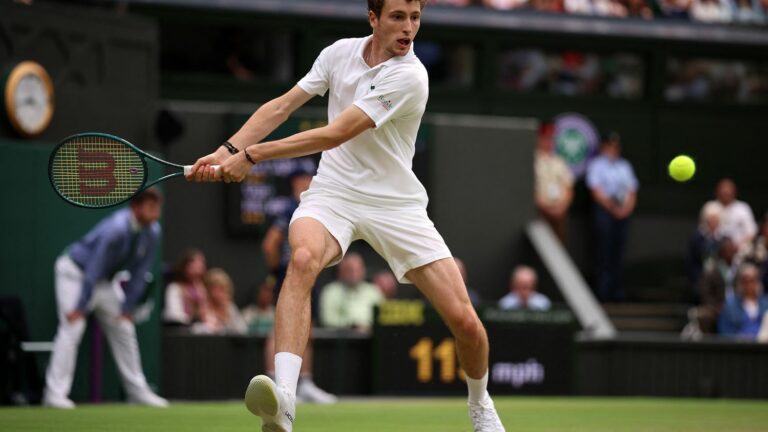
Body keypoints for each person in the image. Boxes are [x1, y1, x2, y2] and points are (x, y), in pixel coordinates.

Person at [187, 1, 506, 430]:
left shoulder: (410, 75)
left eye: (415, 17)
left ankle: (480, 404)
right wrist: (227, 150)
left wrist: (252, 155)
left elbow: (337, 132)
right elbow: (282, 107)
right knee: (300, 261)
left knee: (466, 322)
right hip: (334, 191)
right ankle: (284, 401)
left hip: (395, 204)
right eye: (397, 16)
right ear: (373, 18)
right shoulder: (338, 54)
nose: (408, 28)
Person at [43, 188, 168, 409]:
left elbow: (140, 272)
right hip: (75, 273)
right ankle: (54, 395)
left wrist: (127, 308)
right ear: (135, 208)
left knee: (125, 329)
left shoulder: (153, 231)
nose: (155, 213)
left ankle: (137, 393)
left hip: (104, 282)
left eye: (157, 208)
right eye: (150, 207)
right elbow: (94, 267)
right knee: (73, 327)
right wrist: (80, 306)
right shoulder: (117, 229)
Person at [261, 161, 337, 404]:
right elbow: (270, 244)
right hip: (289, 271)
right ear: (296, 181)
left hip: (307, 271)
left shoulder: (311, 206)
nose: (310, 181)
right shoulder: (289, 208)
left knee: (307, 328)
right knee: (281, 327)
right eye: (305, 177)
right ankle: (274, 380)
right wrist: (276, 270)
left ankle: (304, 383)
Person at [586, 131, 638, 302]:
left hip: (622, 214)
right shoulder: (596, 165)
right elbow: (596, 191)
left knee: (618, 252)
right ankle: (602, 291)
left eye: (616, 146)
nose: (613, 149)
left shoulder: (625, 166)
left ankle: (617, 291)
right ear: (603, 146)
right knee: (603, 252)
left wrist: (625, 209)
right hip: (605, 213)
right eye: (610, 145)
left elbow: (632, 191)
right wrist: (612, 208)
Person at [319, 253, 384, 331]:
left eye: (358, 270)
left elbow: (383, 318)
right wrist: (352, 327)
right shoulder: (330, 291)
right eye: (350, 270)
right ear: (341, 271)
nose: (354, 274)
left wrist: (367, 327)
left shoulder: (373, 291)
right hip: (341, 339)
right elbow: (327, 320)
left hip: (371, 338)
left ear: (364, 270)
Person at [534, 122, 574, 244]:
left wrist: (561, 207)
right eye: (545, 138)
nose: (548, 142)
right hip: (539, 213)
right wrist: (545, 207)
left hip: (559, 214)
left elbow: (569, 188)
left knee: (559, 245)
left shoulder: (559, 161)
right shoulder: (532, 159)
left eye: (551, 138)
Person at [702, 178, 757, 250]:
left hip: (739, 250)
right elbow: (703, 231)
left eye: (728, 189)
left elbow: (752, 232)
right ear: (717, 191)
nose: (725, 192)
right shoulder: (710, 207)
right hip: (715, 249)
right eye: (723, 189)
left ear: (734, 191)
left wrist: (737, 246)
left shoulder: (743, 208)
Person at [162, 248, 211, 327]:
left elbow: (206, 314)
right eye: (196, 262)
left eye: (202, 263)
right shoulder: (174, 287)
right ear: (186, 266)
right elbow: (174, 315)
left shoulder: (202, 288)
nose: (200, 266)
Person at [718, 263, 768, 340]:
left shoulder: (766, 303)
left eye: (752, 281)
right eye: (745, 281)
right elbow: (724, 331)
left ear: (758, 282)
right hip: (740, 348)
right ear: (740, 283)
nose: (749, 285)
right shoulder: (730, 305)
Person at [687, 201, 723, 297]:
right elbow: (692, 262)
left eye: (716, 219)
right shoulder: (696, 238)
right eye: (710, 219)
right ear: (705, 220)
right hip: (701, 279)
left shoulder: (724, 239)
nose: (713, 222)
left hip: (721, 280)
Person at [202, 268, 248, 335]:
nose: (216, 293)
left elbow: (242, 330)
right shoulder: (204, 307)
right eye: (213, 288)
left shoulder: (230, 307)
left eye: (221, 289)